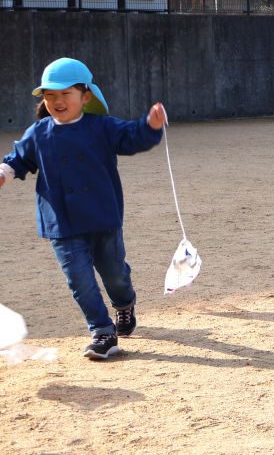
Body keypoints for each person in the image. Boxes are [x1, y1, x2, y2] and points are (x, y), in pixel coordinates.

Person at [0, 57, 166, 360]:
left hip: (103, 218)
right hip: (61, 223)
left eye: (65, 94)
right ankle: (102, 331)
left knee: (115, 274)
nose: (57, 101)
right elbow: (18, 158)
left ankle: (125, 305)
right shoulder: (38, 133)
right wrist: (4, 173)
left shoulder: (101, 127)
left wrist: (150, 125)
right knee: (79, 280)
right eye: (50, 95)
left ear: (85, 96)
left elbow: (131, 137)